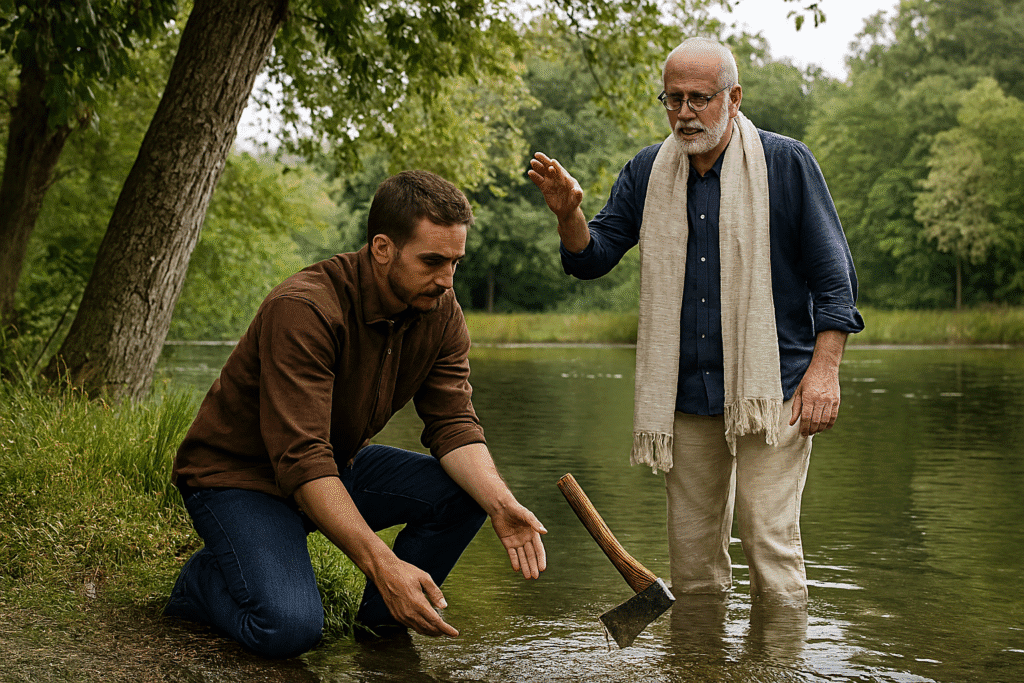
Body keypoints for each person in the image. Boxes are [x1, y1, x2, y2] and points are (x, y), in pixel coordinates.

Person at [529, 37, 863, 606]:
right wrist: (569, 215)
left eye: (699, 99)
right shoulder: (646, 172)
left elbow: (836, 282)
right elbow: (592, 258)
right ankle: (699, 662)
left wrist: (824, 373)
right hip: (686, 395)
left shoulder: (785, 164)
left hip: (773, 388)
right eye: (673, 98)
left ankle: (780, 668)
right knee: (693, 564)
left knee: (768, 544)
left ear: (733, 97)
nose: (684, 113)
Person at [165, 170, 548, 658]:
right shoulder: (305, 309)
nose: (447, 280)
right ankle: (201, 581)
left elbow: (453, 423)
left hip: (334, 466)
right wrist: (383, 563)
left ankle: (381, 626)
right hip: (239, 480)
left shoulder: (440, 308)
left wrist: (500, 502)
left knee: (467, 495)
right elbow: (302, 457)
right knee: (290, 630)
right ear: (382, 248)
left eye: (455, 262)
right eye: (432, 261)